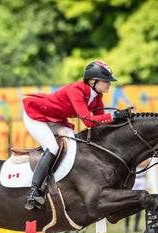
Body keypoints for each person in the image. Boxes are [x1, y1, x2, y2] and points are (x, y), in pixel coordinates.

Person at [22, 60, 132, 210]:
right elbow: (88, 121)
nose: (109, 84)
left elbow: (100, 123)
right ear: (92, 81)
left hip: (55, 120)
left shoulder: (97, 96)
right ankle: (35, 191)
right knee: (53, 147)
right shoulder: (76, 90)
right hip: (36, 116)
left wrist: (121, 120)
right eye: (106, 81)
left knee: (77, 144)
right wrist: (114, 115)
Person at [124, 158, 151, 233]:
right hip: (133, 179)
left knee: (140, 202)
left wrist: (135, 162)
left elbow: (145, 163)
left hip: (141, 179)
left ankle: (136, 226)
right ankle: (126, 226)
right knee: (128, 203)